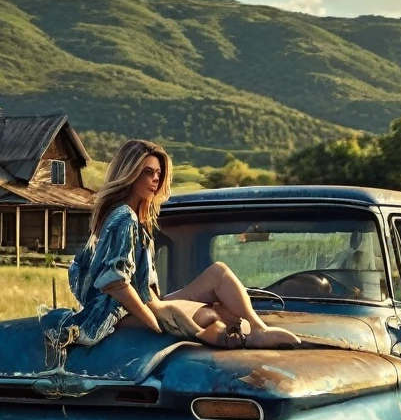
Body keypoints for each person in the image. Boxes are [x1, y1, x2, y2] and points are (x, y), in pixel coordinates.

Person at [67, 139, 300, 348]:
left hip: (139, 306)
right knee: (207, 316)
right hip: (114, 314)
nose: (156, 179)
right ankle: (222, 333)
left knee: (219, 273)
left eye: (158, 173)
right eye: (148, 172)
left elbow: (139, 283)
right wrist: (155, 318)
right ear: (130, 174)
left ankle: (258, 328)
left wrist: (158, 306)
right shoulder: (124, 216)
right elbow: (114, 282)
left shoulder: (137, 220)